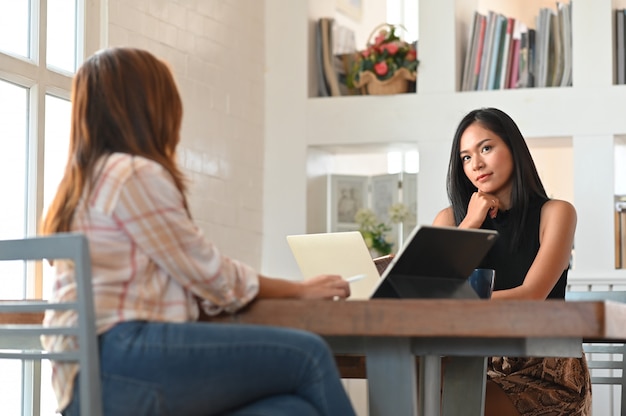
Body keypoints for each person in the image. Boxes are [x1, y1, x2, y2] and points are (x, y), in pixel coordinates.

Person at [41, 47, 356, 416]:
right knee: (310, 354)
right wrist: (299, 290)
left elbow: (188, 278)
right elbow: (211, 275)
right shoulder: (131, 173)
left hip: (86, 376)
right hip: (120, 359)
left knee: (290, 410)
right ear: (151, 106)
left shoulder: (82, 183)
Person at [433, 107, 591, 416]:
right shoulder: (450, 219)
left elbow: (530, 296)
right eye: (465, 157)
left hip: (545, 371)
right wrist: (470, 224)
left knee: (445, 402)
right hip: (475, 362)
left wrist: (456, 302)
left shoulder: (556, 213)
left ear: (514, 149)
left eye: (486, 148)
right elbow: (426, 290)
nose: (476, 163)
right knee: (421, 386)